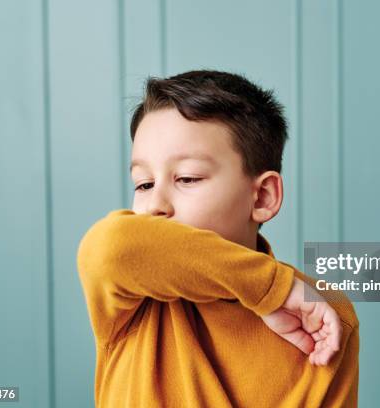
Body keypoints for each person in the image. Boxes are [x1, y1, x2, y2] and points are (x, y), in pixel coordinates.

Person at [77, 70, 359, 407]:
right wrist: (270, 288)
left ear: (262, 198)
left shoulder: (321, 317)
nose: (155, 205)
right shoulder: (135, 298)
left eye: (187, 178)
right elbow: (113, 246)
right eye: (144, 184)